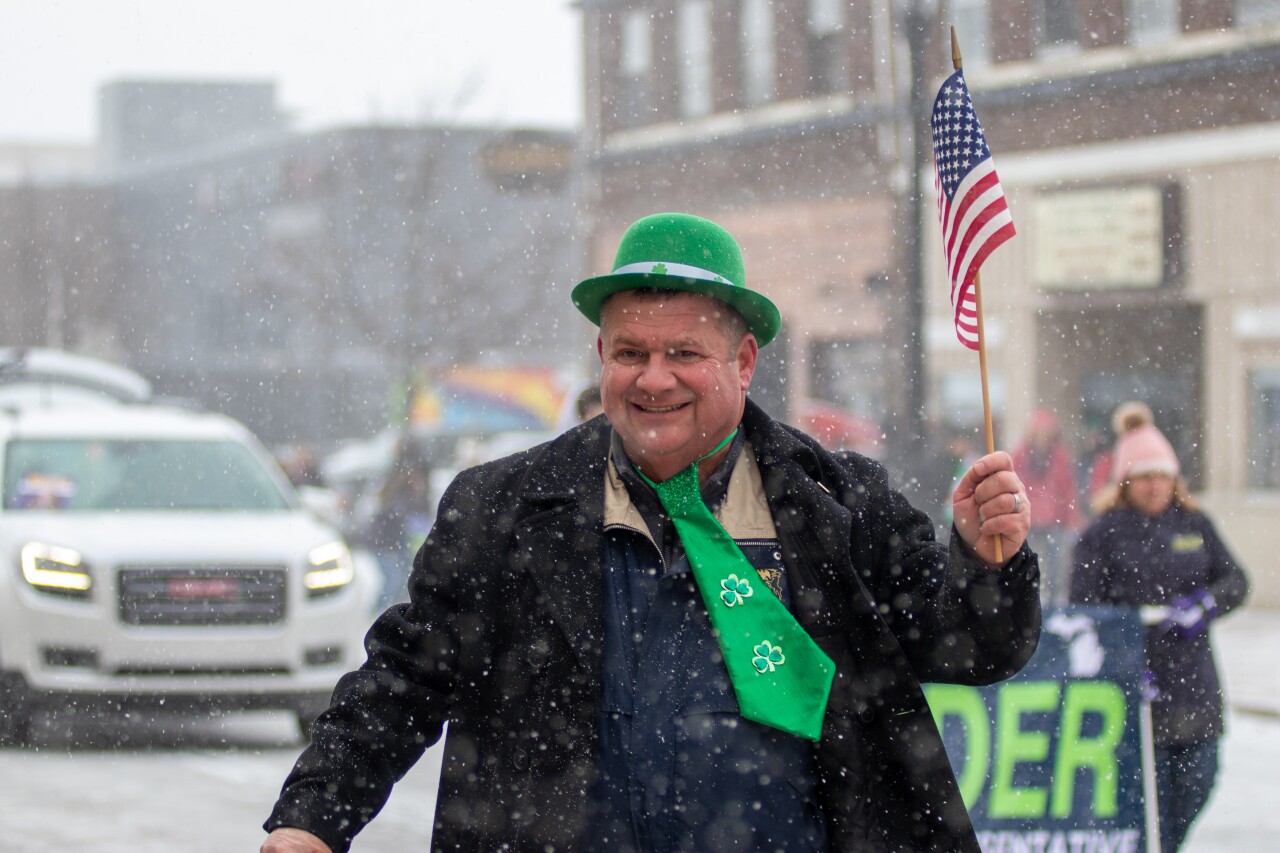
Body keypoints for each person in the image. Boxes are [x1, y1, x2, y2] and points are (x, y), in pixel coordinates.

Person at [262, 212, 1040, 853]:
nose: (653, 378)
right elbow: (400, 680)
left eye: (683, 353)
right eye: (630, 352)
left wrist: (985, 559)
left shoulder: (842, 504)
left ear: (743, 360)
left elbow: (972, 647)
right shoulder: (503, 507)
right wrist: (313, 816)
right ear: (602, 356)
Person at [1069, 423, 1249, 852]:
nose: (1155, 486)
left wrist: (1204, 605)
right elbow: (1083, 609)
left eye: (1163, 476)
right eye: (1145, 477)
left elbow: (1236, 581)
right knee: (1149, 795)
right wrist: (1122, 659)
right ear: (1125, 482)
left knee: (1199, 780)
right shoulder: (1102, 534)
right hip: (1135, 686)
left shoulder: (1194, 523)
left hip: (1194, 682)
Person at [1010, 408, 1082, 607]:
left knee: (1055, 565)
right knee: (1028, 564)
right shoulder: (1021, 456)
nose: (1043, 437)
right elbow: (1013, 486)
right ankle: (1029, 600)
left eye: (1046, 432)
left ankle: (1052, 604)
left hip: (1053, 520)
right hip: (1028, 520)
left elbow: (1068, 488)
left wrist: (1072, 517)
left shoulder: (1059, 456)